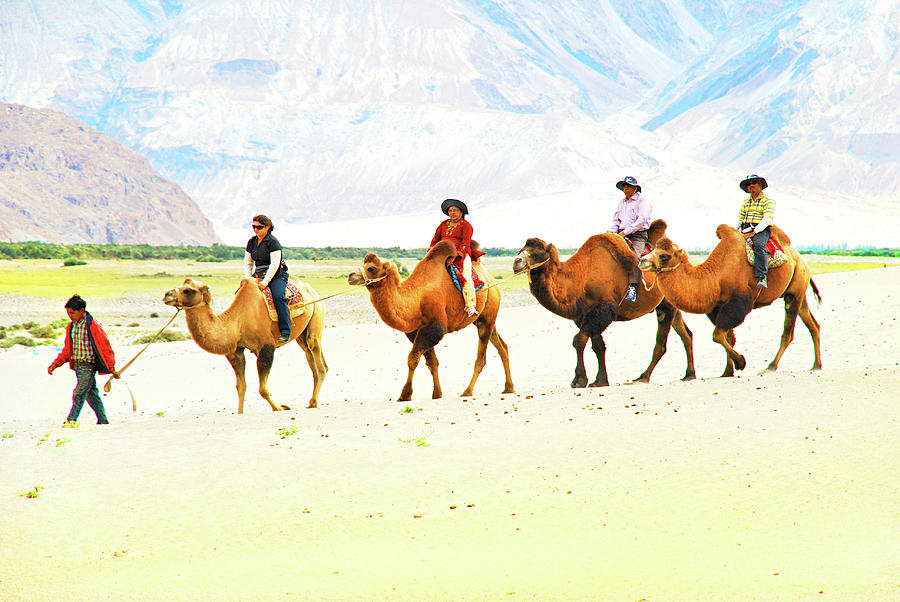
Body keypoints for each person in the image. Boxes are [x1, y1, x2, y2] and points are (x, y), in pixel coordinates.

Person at [47, 295, 118, 425]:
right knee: (92, 395)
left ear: (82, 310)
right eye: (68, 313)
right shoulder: (71, 327)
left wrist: (111, 367)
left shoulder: (93, 325)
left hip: (88, 365)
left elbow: (104, 346)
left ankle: (71, 420)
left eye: (72, 313)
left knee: (79, 393)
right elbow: (68, 350)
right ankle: (103, 420)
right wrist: (55, 364)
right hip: (78, 367)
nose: (70, 316)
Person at [430, 198, 483, 317]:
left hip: (461, 255)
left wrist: (456, 255)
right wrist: (432, 248)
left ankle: (470, 306)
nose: (452, 213)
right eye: (450, 210)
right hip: (441, 253)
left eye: (455, 210)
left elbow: (466, 242)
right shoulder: (443, 224)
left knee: (466, 277)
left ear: (461, 213)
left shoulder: (466, 226)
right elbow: (435, 238)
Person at [244, 214, 291, 343]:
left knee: (278, 297)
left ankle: (285, 331)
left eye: (259, 227)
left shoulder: (273, 242)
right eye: (254, 227)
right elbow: (248, 263)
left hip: (276, 275)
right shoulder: (251, 242)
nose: (255, 230)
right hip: (257, 274)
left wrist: (265, 282)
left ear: (267, 227)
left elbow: (274, 265)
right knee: (240, 295)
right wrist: (249, 281)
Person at [609, 176, 652, 302]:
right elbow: (616, 219)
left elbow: (641, 220)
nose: (625, 188)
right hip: (620, 233)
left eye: (628, 186)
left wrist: (624, 233)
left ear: (635, 188)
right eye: (624, 186)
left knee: (633, 257)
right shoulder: (621, 203)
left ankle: (633, 288)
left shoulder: (643, 201)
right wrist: (611, 232)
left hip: (637, 235)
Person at [736, 174, 775, 288]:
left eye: (753, 183)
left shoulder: (767, 200)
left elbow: (768, 218)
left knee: (758, 245)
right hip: (745, 227)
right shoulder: (746, 202)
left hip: (761, 228)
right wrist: (735, 231)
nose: (751, 186)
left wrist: (755, 231)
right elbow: (740, 217)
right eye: (748, 184)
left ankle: (762, 276)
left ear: (759, 185)